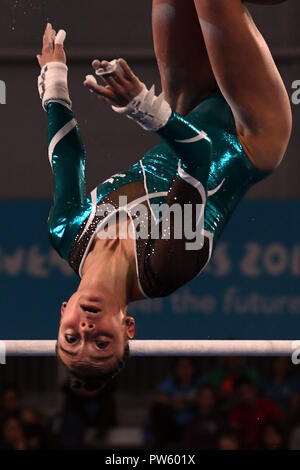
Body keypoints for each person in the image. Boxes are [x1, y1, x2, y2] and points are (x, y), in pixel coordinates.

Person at [37, 0, 291, 393]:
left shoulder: (66, 231)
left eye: (71, 338)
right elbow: (199, 155)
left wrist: (54, 78)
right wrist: (141, 106)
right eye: (102, 342)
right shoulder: (166, 265)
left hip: (186, 106)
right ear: (128, 327)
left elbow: (68, 155)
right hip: (250, 133)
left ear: (61, 314)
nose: (86, 329)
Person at [228, 377, 284, 449]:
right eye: (241, 394)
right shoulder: (235, 412)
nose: (246, 397)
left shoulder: (270, 407)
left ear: (254, 390)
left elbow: (278, 431)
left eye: (248, 392)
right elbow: (233, 436)